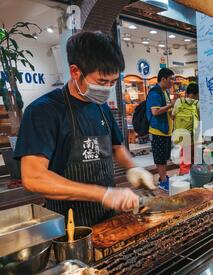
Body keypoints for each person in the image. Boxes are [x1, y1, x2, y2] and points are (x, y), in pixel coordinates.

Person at [14, 31, 156, 227]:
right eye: (101, 82)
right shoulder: (43, 111)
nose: (107, 89)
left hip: (108, 214)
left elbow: (117, 147)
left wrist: (133, 167)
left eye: (112, 82)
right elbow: (34, 178)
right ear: (75, 71)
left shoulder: (101, 107)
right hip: (69, 223)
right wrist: (103, 193)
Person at [147, 68, 176, 191]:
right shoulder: (155, 93)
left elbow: (167, 110)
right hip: (157, 131)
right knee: (160, 158)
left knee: (164, 157)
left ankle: (163, 177)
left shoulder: (164, 92)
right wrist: (170, 105)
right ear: (163, 79)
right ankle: (163, 181)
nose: (172, 82)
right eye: (170, 80)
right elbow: (155, 111)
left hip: (165, 131)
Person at [172, 83, 200, 175]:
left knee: (185, 162)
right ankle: (194, 181)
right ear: (196, 94)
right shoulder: (197, 104)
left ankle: (184, 182)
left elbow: (173, 116)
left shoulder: (178, 101)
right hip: (195, 138)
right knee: (196, 161)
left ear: (187, 92)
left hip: (182, 138)